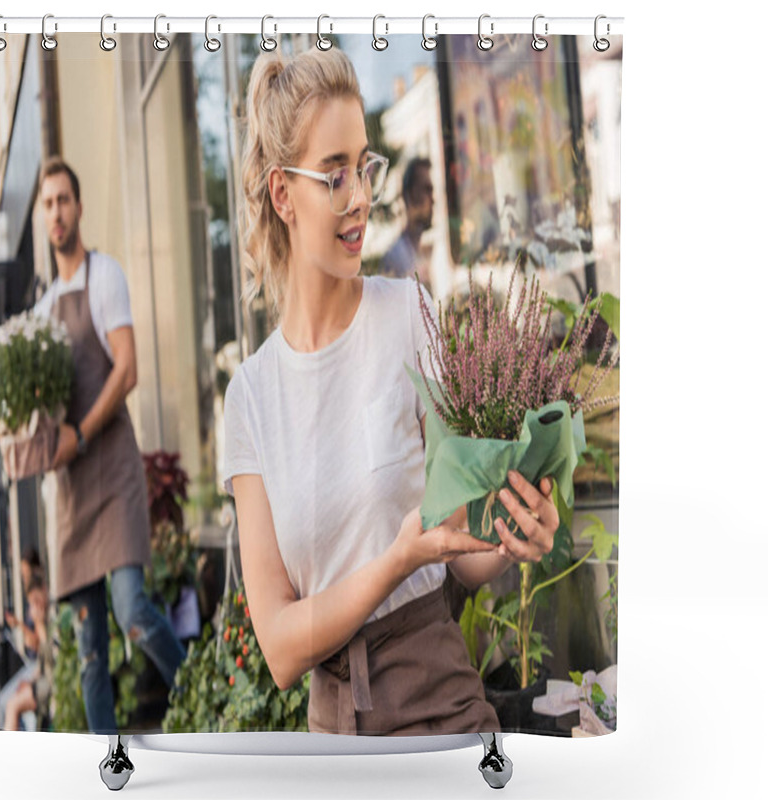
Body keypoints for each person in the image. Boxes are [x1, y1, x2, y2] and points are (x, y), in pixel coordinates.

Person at [224, 47, 559, 736]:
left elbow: (457, 548)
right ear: (283, 194)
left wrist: (518, 537)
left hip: (437, 702)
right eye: (334, 173)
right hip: (334, 736)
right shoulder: (251, 398)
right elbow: (282, 648)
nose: (360, 196)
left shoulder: (408, 313)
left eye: (364, 165)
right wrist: (396, 560)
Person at [34, 157, 185, 734]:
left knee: (133, 612)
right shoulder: (43, 312)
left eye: (63, 199)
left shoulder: (106, 276)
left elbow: (127, 371)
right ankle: (104, 765)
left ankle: (205, 708)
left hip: (112, 469)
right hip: (71, 490)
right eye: (47, 203)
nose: (56, 211)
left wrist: (79, 434)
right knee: (90, 651)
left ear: (78, 206)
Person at [2, 568, 52, 731]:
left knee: (11, 705)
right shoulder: (40, 617)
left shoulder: (52, 616)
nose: (35, 606)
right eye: (32, 602)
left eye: (37, 600)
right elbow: (40, 656)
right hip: (41, 677)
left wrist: (39, 625)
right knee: (8, 701)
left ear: (45, 590)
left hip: (50, 682)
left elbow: (50, 657)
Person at [381, 157, 434, 288]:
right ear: (409, 195)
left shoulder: (421, 253)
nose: (432, 200)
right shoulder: (396, 258)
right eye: (426, 190)